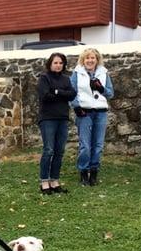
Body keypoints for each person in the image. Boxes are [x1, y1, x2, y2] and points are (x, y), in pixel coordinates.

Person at [70, 48, 114, 186]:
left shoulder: (103, 73)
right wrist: (77, 107)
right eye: (87, 58)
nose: (90, 60)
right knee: (85, 145)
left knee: (98, 145)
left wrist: (101, 89)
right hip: (85, 112)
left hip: (100, 112)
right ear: (83, 60)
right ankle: (83, 171)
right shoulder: (77, 73)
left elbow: (110, 94)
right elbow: (72, 92)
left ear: (97, 59)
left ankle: (94, 172)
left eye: (92, 58)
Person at [37, 52, 76, 194]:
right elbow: (45, 96)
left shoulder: (66, 79)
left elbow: (72, 94)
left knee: (59, 151)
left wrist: (57, 92)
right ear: (50, 63)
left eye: (61, 63)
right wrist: (62, 94)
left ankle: (54, 180)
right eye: (55, 63)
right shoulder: (44, 78)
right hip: (48, 118)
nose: (58, 65)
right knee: (49, 150)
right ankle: (44, 181)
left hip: (62, 118)